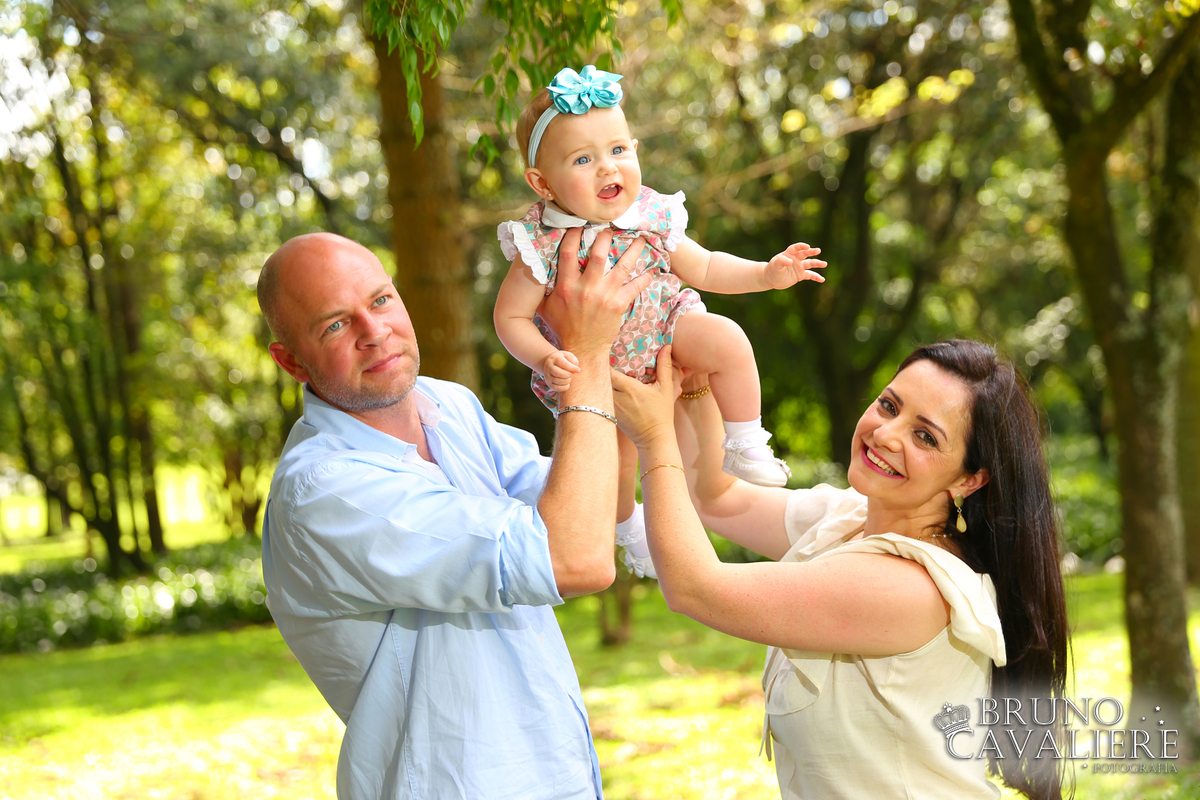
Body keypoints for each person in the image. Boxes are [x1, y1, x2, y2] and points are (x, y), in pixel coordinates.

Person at [256, 230, 651, 800]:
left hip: (558, 773)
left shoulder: (449, 405)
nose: (374, 332)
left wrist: (626, 360)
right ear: (291, 361)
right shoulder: (324, 490)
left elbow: (595, 507)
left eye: (380, 300)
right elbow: (573, 558)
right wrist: (585, 354)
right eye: (336, 325)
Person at [607, 339, 1070, 800]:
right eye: (889, 406)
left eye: (925, 436)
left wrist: (654, 438)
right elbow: (716, 496)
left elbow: (695, 588)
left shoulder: (911, 588)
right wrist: (694, 382)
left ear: (969, 479)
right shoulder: (847, 521)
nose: (886, 434)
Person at [494, 65, 827, 578]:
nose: (608, 168)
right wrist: (545, 357)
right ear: (542, 183)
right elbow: (511, 317)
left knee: (727, 338)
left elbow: (706, 267)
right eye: (583, 159)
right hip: (598, 369)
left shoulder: (651, 213)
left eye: (617, 150)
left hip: (669, 326)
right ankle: (629, 527)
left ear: (634, 149)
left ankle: (744, 440)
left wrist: (765, 274)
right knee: (613, 461)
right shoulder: (537, 243)